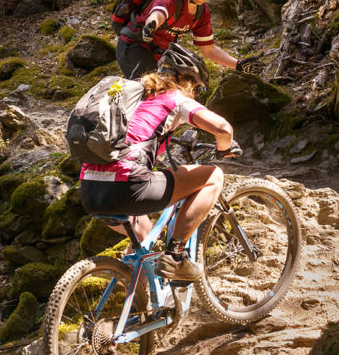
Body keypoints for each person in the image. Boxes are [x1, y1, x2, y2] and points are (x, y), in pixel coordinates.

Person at [78, 43, 241, 281]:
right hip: (125, 187)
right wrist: (224, 147)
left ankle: (137, 309)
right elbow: (223, 128)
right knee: (214, 175)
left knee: (144, 239)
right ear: (187, 82)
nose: (195, 94)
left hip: (90, 190)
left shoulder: (131, 98)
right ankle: (176, 256)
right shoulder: (175, 98)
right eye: (196, 88)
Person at [115, 0, 263, 79]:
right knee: (148, 92)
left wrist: (239, 65)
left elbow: (209, 49)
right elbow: (158, 13)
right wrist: (151, 25)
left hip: (159, 54)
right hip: (133, 46)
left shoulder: (202, 13)